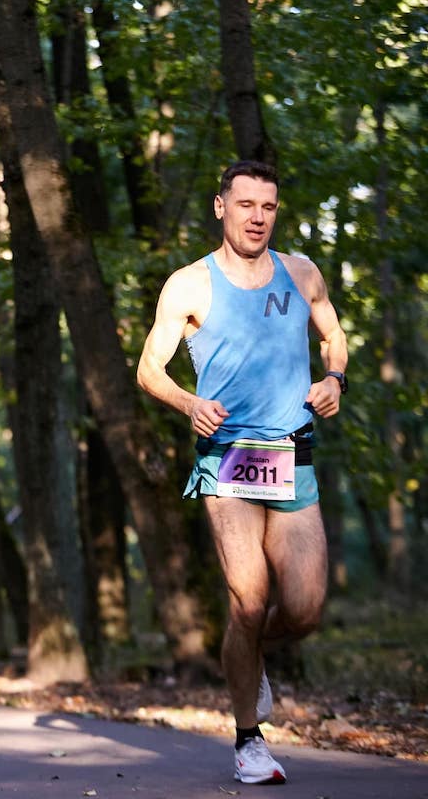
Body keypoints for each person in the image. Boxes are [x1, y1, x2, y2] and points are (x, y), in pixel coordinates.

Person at [137, 160, 346, 786]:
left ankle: (249, 660)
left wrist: (333, 378)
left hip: (291, 451)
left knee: (304, 609)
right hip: (227, 457)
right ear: (220, 206)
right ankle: (248, 739)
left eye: (269, 206)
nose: (258, 216)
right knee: (249, 599)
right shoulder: (189, 286)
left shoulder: (302, 272)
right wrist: (189, 403)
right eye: (246, 204)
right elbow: (150, 370)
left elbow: (335, 335)